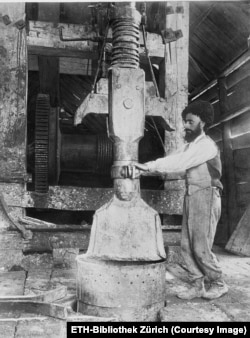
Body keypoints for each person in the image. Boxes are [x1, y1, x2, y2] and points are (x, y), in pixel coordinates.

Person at [134, 100, 229, 300]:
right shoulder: (190, 146)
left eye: (190, 121)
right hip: (192, 195)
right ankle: (197, 285)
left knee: (201, 247)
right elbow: (173, 163)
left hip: (207, 195)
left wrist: (148, 166)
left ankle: (218, 282)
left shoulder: (206, 146)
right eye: (185, 121)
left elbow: (178, 163)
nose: (185, 126)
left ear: (202, 122)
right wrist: (143, 170)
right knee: (186, 244)